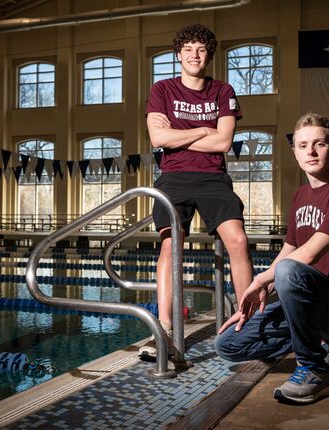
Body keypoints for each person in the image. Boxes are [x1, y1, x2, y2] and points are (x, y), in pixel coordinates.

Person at [215, 112, 329, 404]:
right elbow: (289, 249)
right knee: (228, 345)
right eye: (303, 146)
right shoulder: (300, 195)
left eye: (319, 144)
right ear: (295, 152)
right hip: (308, 305)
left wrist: (263, 278)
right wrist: (262, 286)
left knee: (288, 270)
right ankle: (316, 340)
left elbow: (311, 252)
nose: (310, 152)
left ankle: (315, 368)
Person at [139, 24, 253, 358]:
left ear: (209, 56)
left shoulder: (222, 90)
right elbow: (158, 140)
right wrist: (205, 128)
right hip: (173, 178)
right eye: (188, 49)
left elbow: (224, 141)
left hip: (212, 178)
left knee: (238, 241)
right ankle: (165, 330)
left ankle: (248, 322)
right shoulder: (162, 89)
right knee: (171, 248)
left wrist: (182, 132)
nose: (194, 55)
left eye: (201, 50)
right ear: (178, 55)